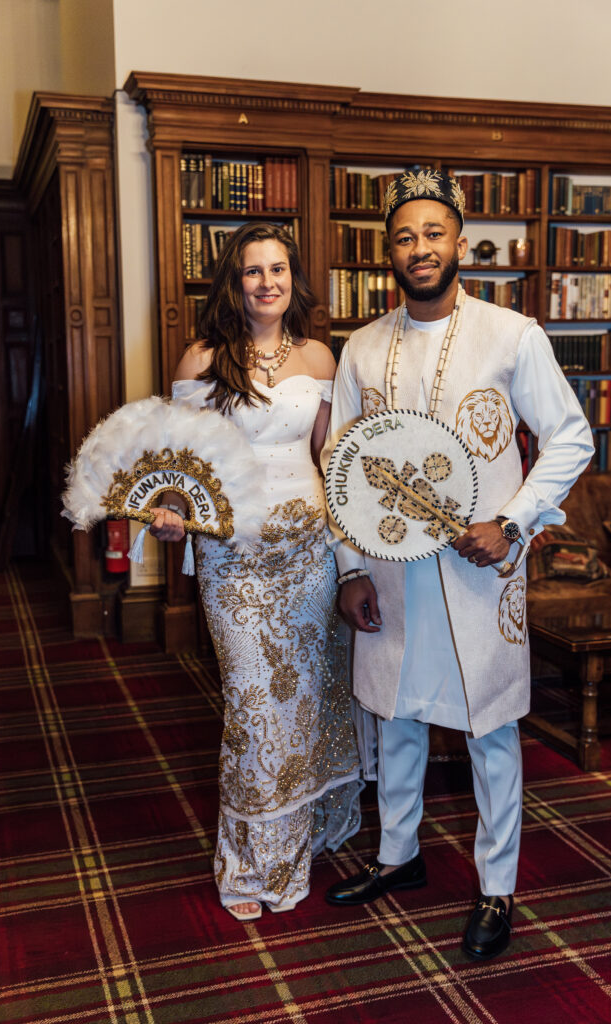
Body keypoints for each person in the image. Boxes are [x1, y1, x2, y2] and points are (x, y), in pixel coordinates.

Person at [321, 169, 594, 959]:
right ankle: (397, 857)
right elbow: (342, 464)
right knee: (398, 713)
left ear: (460, 243)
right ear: (388, 252)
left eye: (432, 233)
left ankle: (496, 887)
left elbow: (570, 436)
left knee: (490, 728)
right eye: (404, 236)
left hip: (481, 573)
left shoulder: (513, 336)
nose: (420, 248)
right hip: (391, 573)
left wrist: (511, 522)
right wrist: (348, 571)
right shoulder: (363, 348)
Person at [151, 222, 361, 922]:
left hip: (308, 555)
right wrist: (174, 511)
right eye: (251, 271)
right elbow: (184, 463)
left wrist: (351, 556)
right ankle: (250, 864)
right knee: (252, 708)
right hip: (233, 558)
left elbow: (331, 462)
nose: (266, 282)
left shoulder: (319, 356)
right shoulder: (203, 357)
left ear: (293, 279)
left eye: (277, 270)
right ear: (231, 282)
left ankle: (305, 835)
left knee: (312, 697)